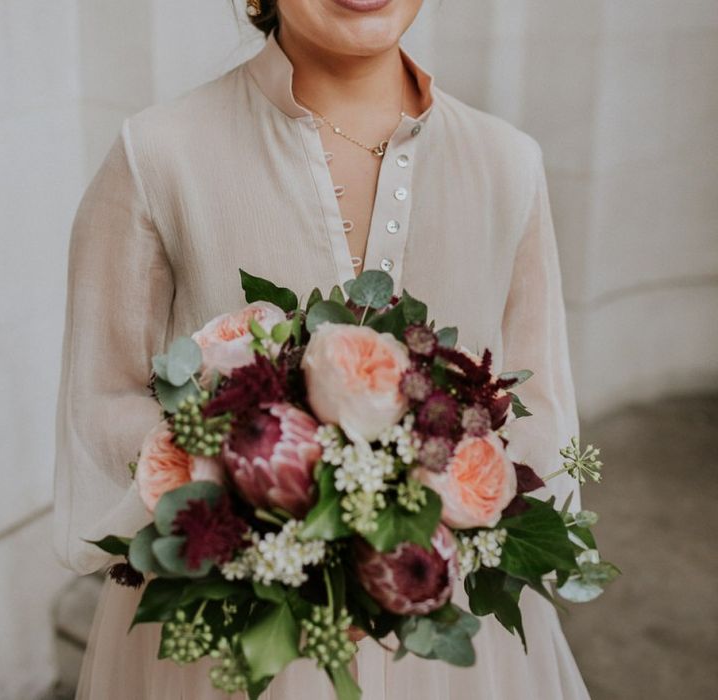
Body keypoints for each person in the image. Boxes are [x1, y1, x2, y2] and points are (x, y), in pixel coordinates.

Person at [52, 0, 590, 697]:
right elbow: (102, 397)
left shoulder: (508, 162)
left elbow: (539, 402)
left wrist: (428, 520)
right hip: (227, 632)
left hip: (451, 638)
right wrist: (248, 487)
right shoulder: (157, 153)